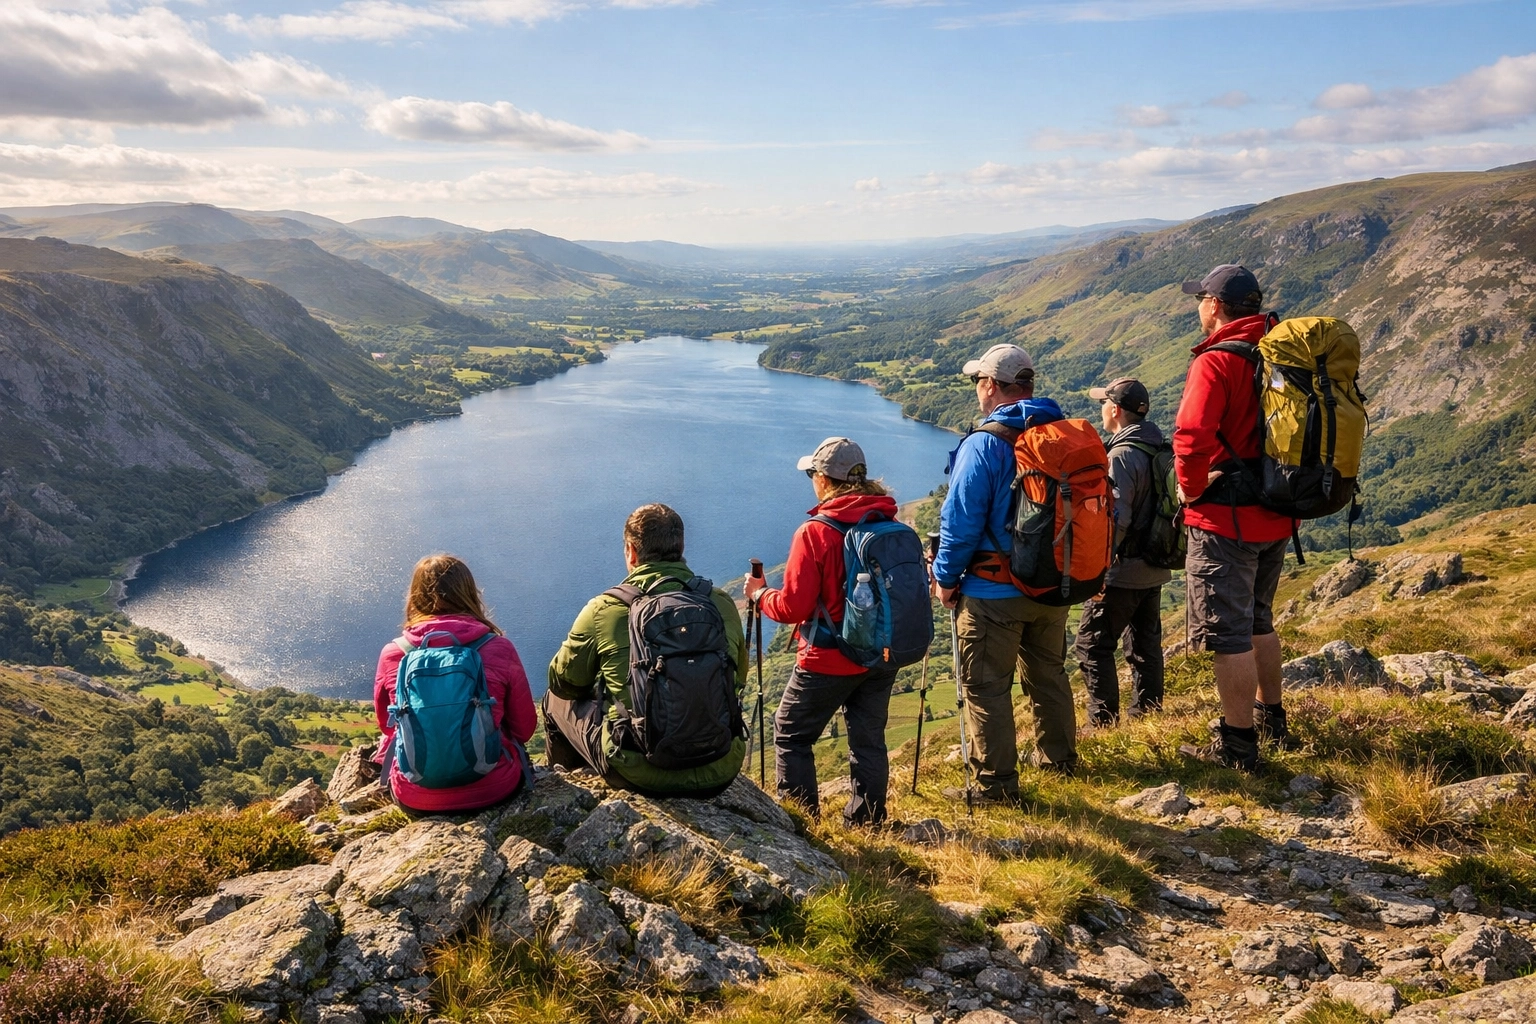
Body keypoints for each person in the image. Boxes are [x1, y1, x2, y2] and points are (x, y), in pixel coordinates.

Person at [930, 343, 1077, 799]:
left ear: (991, 386)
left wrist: (946, 580)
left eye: (979, 382)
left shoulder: (984, 443)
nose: (978, 390)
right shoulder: (1060, 432)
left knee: (986, 687)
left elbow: (959, 523)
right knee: (1048, 675)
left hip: (993, 592)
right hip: (1052, 584)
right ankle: (1060, 763)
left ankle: (995, 785)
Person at [1174, 264, 1297, 771]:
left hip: (1227, 523)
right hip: (1279, 511)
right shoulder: (1280, 349)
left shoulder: (1217, 360)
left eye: (1200, 298)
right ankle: (1273, 721)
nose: (1198, 306)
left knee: (1228, 635)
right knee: (1259, 621)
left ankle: (1238, 746)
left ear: (1215, 305)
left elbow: (1191, 435)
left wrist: (1190, 490)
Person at [744, 437, 900, 824]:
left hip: (830, 657)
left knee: (791, 734)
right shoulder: (886, 521)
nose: (811, 479)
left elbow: (792, 607)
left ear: (826, 480)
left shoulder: (815, 533)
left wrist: (760, 594)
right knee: (868, 741)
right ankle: (867, 823)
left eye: (813, 473)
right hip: (882, 654)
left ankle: (800, 826)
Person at [545, 503, 747, 797]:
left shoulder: (605, 608)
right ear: (681, 546)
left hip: (639, 773)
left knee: (552, 701)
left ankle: (567, 792)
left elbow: (564, 683)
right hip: (720, 765)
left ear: (631, 551)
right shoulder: (719, 602)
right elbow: (737, 678)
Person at [373, 554, 537, 814]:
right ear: (469, 594)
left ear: (415, 598)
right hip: (494, 787)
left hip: (416, 795)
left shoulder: (394, 653)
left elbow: (387, 725)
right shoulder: (498, 648)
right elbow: (524, 729)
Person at [1074, 377, 1172, 726]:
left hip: (1122, 571)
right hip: (1155, 565)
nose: (1101, 408)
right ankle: (1148, 715)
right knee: (1145, 645)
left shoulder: (1121, 455)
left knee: (1091, 645)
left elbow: (1118, 517)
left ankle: (1102, 721)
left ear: (1115, 410)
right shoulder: (1158, 447)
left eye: (1103, 403)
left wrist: (1098, 569)